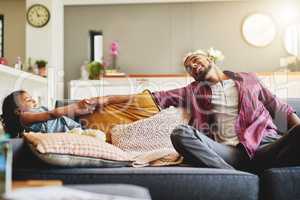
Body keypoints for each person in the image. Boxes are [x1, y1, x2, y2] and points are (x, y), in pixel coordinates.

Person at [94, 50, 300, 171]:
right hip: (229, 154)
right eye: (188, 67)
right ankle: (234, 176)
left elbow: (280, 109)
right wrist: (108, 98)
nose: (192, 66)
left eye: (195, 60)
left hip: (265, 145)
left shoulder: (248, 79)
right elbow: (154, 97)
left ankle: (242, 172)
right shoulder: (192, 91)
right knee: (180, 133)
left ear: (210, 59)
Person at [0, 90, 109, 138]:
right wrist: (75, 107)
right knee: (96, 136)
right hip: (68, 133)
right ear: (18, 111)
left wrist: (79, 110)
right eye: (29, 100)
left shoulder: (36, 110)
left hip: (71, 127)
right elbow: (51, 114)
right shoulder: (25, 117)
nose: (34, 101)